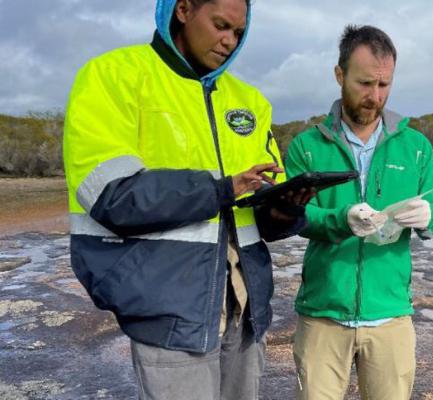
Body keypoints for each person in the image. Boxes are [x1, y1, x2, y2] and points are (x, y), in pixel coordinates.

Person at [63, 0, 309, 399]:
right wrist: (221, 189)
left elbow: (258, 212)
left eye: (239, 33)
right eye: (220, 25)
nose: (229, 41)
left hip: (245, 311)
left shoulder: (251, 101)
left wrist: (285, 210)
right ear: (183, 10)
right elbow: (112, 196)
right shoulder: (113, 75)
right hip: (168, 310)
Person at [285, 25, 433, 400]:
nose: (374, 96)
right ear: (339, 75)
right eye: (364, 84)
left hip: (391, 315)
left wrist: (429, 216)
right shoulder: (307, 146)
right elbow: (294, 216)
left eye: (384, 85)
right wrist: (341, 219)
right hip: (322, 314)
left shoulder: (417, 147)